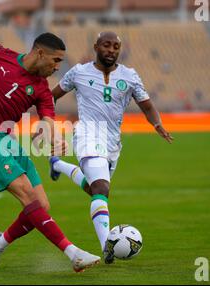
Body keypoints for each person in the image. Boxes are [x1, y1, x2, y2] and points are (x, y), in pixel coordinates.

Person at [0, 33, 100, 272]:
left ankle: (1, 241)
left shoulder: (41, 89)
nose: (57, 67)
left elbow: (48, 118)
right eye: (56, 60)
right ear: (40, 53)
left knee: (41, 205)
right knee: (29, 195)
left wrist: (56, 136)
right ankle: (73, 253)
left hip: (8, 141)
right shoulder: (0, 56)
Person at [48, 32, 173, 264]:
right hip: (86, 134)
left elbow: (146, 105)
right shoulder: (79, 72)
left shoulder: (130, 76)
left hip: (112, 143)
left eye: (116, 46)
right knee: (101, 189)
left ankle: (57, 164)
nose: (111, 50)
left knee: (94, 189)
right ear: (96, 46)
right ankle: (107, 244)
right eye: (107, 45)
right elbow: (51, 97)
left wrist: (157, 124)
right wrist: (47, 123)